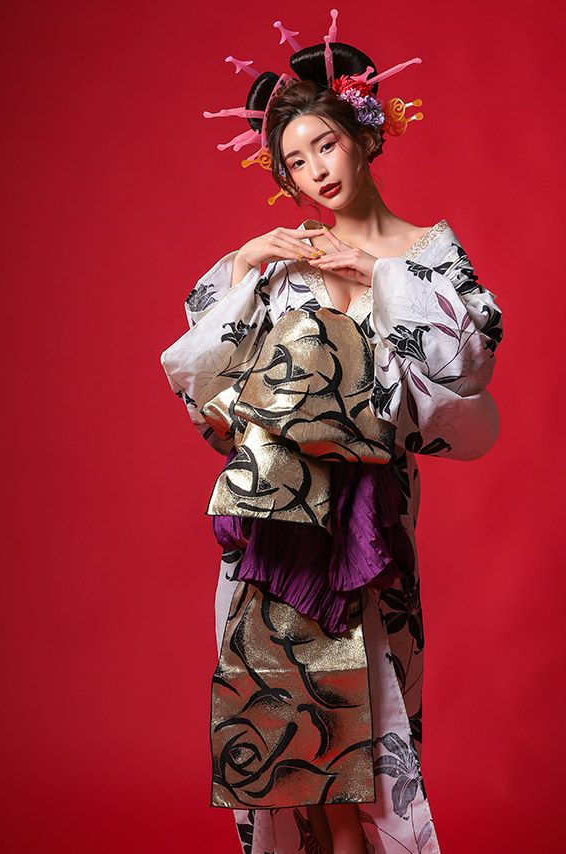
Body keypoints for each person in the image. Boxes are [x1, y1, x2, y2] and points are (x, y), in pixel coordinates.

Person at [161, 12, 503, 854]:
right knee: (285, 723)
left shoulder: (427, 251)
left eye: (327, 145)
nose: (316, 170)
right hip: (277, 509)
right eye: (296, 161)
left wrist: (383, 277)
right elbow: (205, 384)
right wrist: (245, 267)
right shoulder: (287, 254)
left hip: (370, 513)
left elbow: (468, 373)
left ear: (364, 136)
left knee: (374, 717)